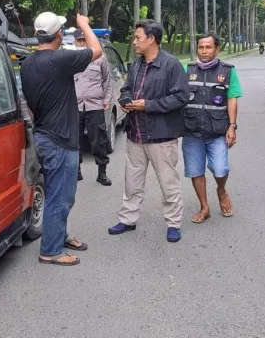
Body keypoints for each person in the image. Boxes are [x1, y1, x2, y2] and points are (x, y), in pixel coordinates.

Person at [19, 12, 103, 266]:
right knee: (61, 196)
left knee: (60, 193)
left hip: (44, 135)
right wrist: (85, 25)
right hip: (60, 141)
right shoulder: (60, 59)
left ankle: (60, 235)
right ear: (58, 35)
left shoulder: (28, 63)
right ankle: (51, 250)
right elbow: (96, 50)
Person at [108, 19, 189, 243]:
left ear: (151, 39)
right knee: (132, 181)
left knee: (168, 182)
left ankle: (173, 223)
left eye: (138, 37)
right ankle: (128, 219)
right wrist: (125, 100)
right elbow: (126, 88)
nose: (134, 42)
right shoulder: (136, 64)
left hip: (161, 136)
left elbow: (181, 97)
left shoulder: (171, 64)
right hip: (136, 134)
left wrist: (148, 105)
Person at [184, 33, 243, 224]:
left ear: (216, 49)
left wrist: (232, 127)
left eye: (208, 47)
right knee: (195, 171)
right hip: (192, 131)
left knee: (220, 169)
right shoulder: (188, 69)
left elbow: (232, 98)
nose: (204, 51)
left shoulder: (227, 71)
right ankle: (204, 207)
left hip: (217, 130)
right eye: (201, 47)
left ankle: (221, 190)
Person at [72, 29, 113, 186]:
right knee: (74, 140)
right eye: (79, 40)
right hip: (75, 106)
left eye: (85, 40)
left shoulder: (100, 57)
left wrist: (106, 100)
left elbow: (107, 80)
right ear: (75, 41)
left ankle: (102, 173)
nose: (82, 43)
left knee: (99, 141)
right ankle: (76, 171)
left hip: (95, 105)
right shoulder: (71, 58)